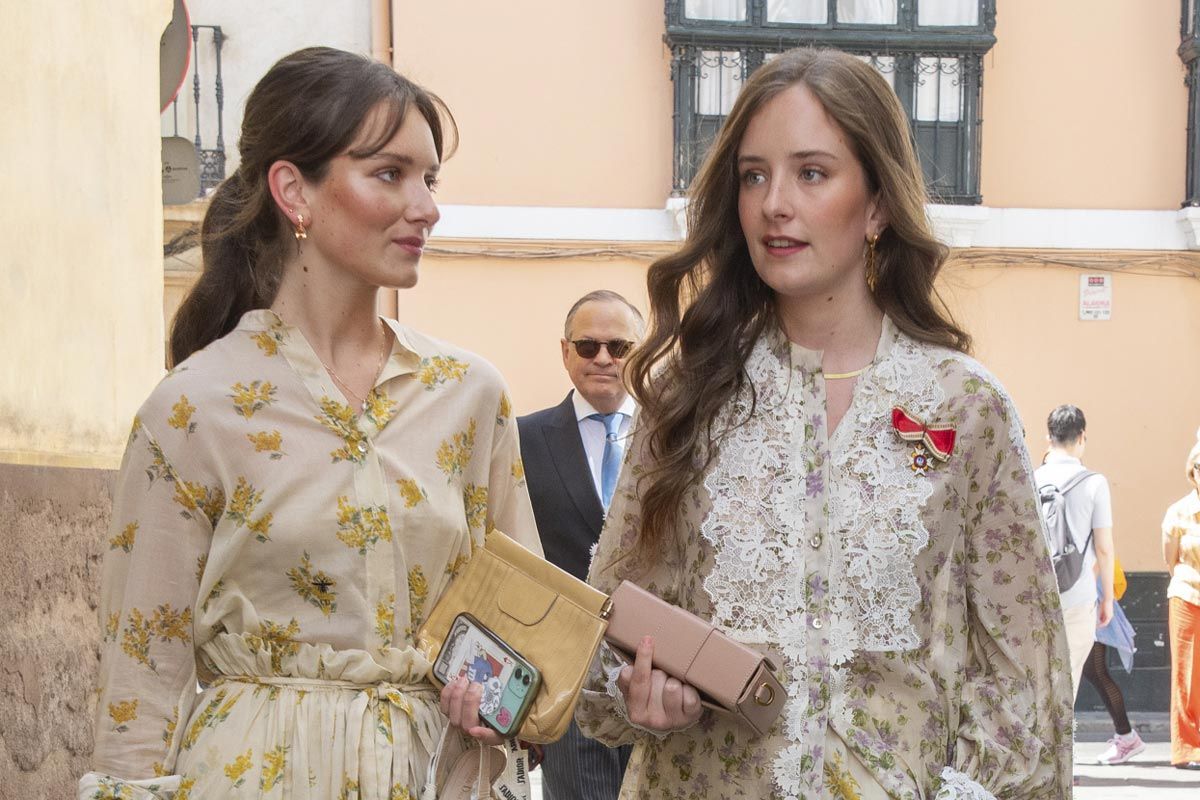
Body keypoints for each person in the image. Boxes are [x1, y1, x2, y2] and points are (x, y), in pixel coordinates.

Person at [575, 47, 1073, 798]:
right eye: (754, 175)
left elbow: (1022, 675)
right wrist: (639, 693)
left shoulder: (963, 407)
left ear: (876, 205)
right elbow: (604, 636)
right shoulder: (688, 398)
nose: (775, 203)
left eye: (812, 173)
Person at [79, 47, 540, 799]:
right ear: (295, 190)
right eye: (390, 174)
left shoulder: (469, 394)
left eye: (430, 179)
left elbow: (517, 619)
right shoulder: (194, 406)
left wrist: (497, 710)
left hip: (436, 778)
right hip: (253, 778)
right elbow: (141, 671)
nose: (425, 206)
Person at [517, 290, 642, 800]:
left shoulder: (676, 437)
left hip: (658, 681)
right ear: (565, 352)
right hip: (564, 686)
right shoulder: (522, 438)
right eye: (588, 346)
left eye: (619, 346)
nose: (604, 359)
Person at [1034, 405, 1114, 698]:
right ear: (1082, 437)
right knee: (1067, 682)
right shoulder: (1095, 484)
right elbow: (1104, 548)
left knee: (1038, 682)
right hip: (1078, 595)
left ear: (1049, 438)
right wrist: (1108, 597)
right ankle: (1061, 743)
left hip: (1037, 596)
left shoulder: (1032, 478)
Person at [1162, 430, 1200, 770]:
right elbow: (1170, 560)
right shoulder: (1179, 512)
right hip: (1188, 594)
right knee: (1186, 676)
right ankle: (1186, 748)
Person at [1085, 555, 1144, 765]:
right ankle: (1127, 736)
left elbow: (1101, 549)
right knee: (1093, 671)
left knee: (1094, 671)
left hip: (1088, 595)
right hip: (1089, 594)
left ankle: (1127, 736)